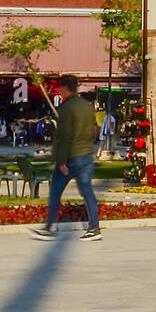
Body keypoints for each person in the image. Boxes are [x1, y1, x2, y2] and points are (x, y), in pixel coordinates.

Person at [30, 75, 101, 241]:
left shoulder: (66, 108)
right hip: (86, 156)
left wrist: (61, 161)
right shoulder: (87, 106)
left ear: (64, 88)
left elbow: (64, 136)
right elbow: (94, 130)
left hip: (71, 158)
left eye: (60, 87)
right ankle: (94, 228)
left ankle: (48, 228)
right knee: (87, 192)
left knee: (55, 191)